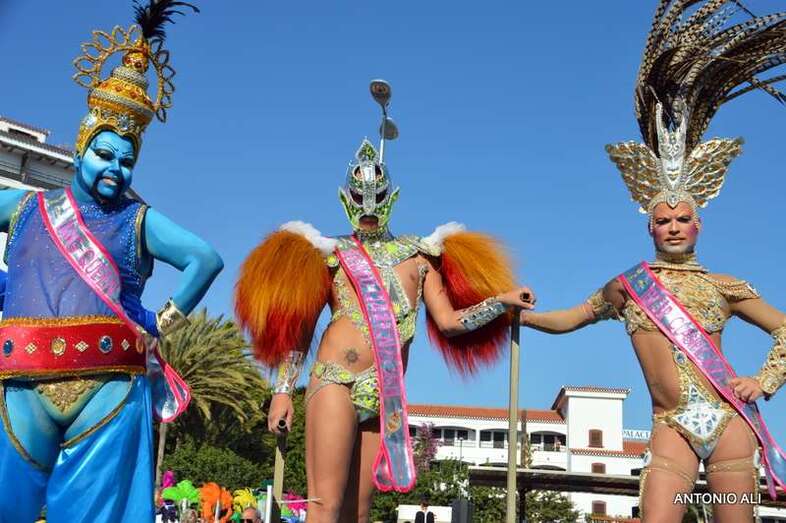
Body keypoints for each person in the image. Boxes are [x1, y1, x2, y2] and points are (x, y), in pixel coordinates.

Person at [520, 3, 786, 521]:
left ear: (698, 224)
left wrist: (764, 381)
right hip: (670, 428)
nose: (674, 227)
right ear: (650, 226)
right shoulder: (627, 287)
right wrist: (521, 316)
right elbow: (570, 319)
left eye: (683, 219)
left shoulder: (725, 286)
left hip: (730, 425)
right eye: (664, 220)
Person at [235, 80, 535, 523]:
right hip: (335, 380)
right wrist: (282, 393)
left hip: (384, 395)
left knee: (358, 513)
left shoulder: (419, 255)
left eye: (376, 197)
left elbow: (449, 322)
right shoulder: (330, 254)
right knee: (324, 507)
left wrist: (500, 301)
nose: (368, 207)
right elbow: (300, 329)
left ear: (392, 198)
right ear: (345, 199)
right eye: (359, 198)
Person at [0, 1, 222, 521]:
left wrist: (160, 325)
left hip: (106, 389)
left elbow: (204, 259)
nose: (115, 169)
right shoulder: (27, 207)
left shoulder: (138, 220)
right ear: (80, 150)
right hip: (20, 379)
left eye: (127, 161)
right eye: (104, 155)